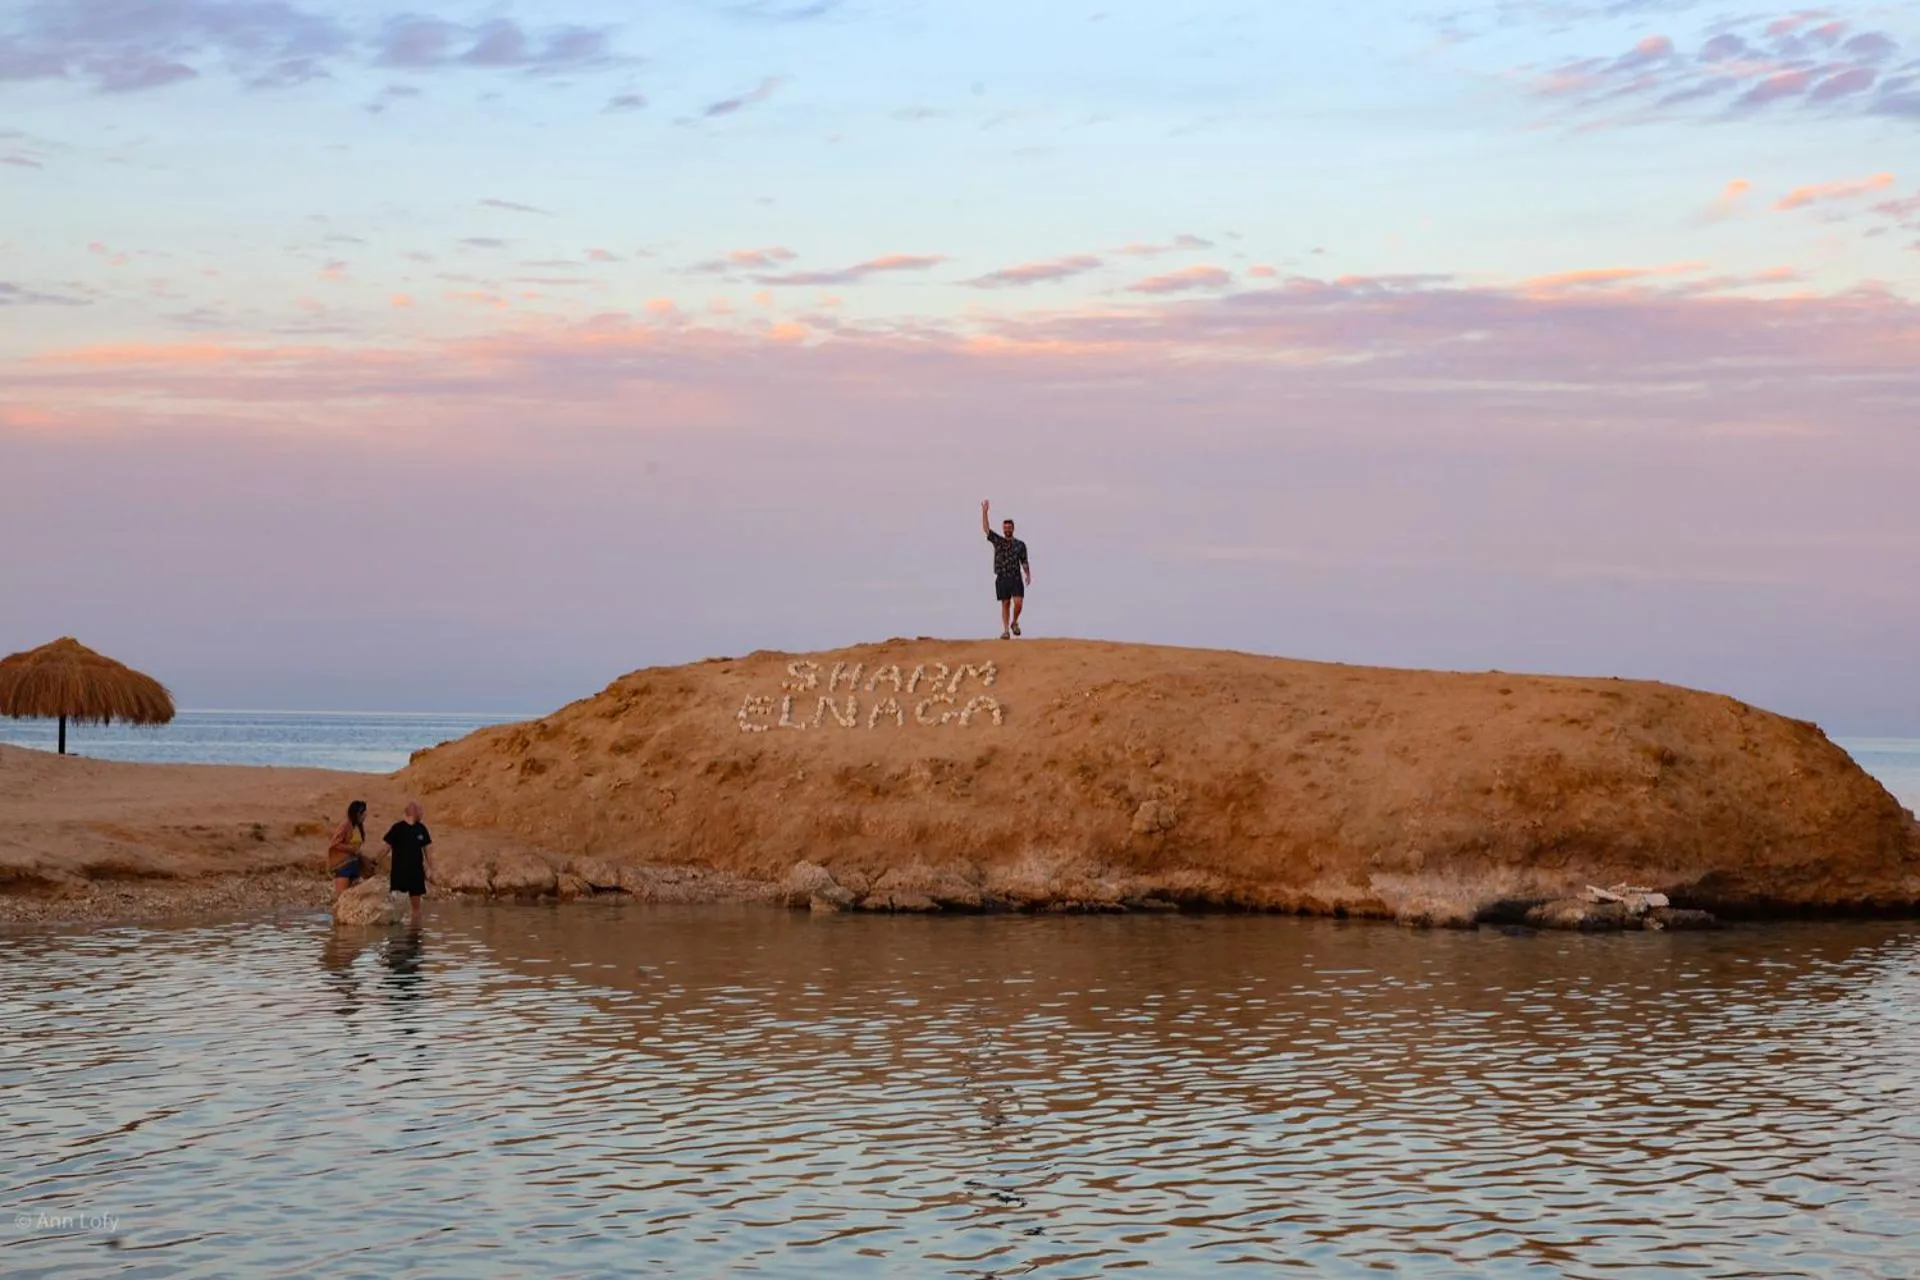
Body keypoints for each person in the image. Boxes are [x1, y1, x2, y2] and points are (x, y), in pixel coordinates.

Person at [981, 498, 1032, 640]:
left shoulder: (1020, 544)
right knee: (1005, 603)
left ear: (1013, 528)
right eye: (1005, 527)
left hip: (1015, 577)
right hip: (1002, 576)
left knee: (1018, 603)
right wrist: (984, 512)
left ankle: (1014, 622)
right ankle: (1005, 630)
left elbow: (1024, 561)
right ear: (1003, 529)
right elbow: (986, 529)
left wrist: (1028, 574)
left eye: (1009, 527)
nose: (1007, 529)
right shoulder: (998, 541)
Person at [383, 802, 435, 925]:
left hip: (416, 872)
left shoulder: (421, 828)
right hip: (399, 872)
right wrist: (375, 860)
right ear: (414, 812)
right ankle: (395, 933)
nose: (422, 814)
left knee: (416, 908)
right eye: (420, 811)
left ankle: (415, 933)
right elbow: (386, 847)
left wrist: (430, 868)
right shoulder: (397, 828)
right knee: (395, 904)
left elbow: (427, 850)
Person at [327, 800, 369, 897]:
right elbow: (335, 844)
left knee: (352, 899)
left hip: (354, 865)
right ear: (358, 814)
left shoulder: (357, 827)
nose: (365, 816)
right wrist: (352, 849)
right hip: (343, 866)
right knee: (342, 899)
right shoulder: (346, 825)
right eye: (363, 813)